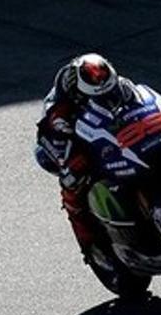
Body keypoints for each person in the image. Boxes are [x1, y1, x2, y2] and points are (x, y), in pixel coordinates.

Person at [33, 53, 139, 257]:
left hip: (101, 126)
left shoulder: (114, 82)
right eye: (97, 96)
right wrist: (69, 161)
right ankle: (88, 242)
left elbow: (137, 98)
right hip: (61, 138)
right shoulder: (62, 104)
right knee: (73, 179)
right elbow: (57, 131)